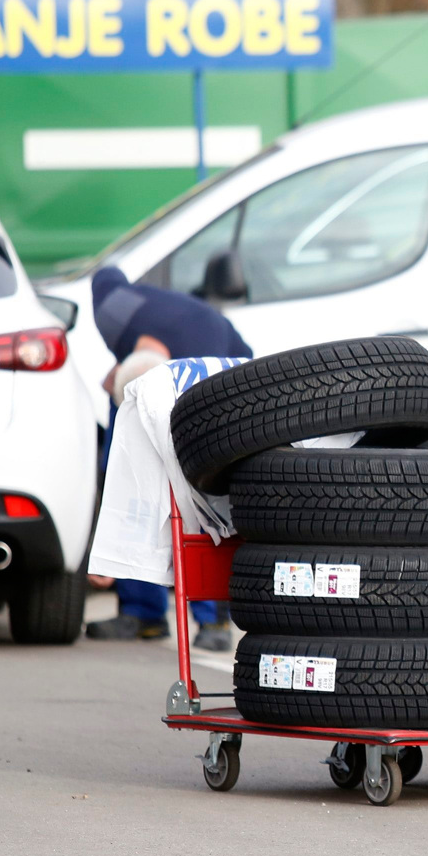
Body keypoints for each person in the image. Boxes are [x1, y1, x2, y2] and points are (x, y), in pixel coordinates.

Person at [85, 266, 252, 651]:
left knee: (200, 499)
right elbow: (106, 275)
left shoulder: (206, 358)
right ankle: (144, 613)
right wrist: (122, 359)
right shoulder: (117, 317)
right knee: (130, 478)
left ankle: (212, 619)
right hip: (157, 367)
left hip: (211, 390)